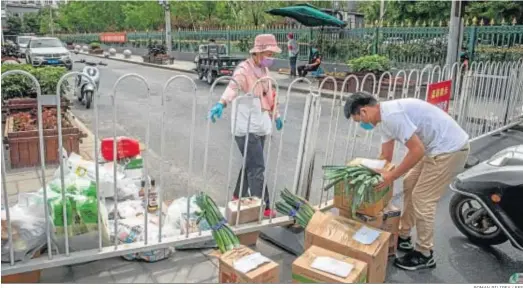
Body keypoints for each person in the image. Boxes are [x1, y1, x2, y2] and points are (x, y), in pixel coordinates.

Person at [344, 91, 470, 271]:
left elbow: (416, 151)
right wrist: (370, 171)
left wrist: (392, 176)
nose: (362, 125)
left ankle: (424, 254)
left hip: (450, 150)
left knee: (422, 198)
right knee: (409, 182)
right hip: (434, 149)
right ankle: (403, 236)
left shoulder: (393, 116)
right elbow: (385, 156)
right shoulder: (383, 119)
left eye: (359, 121)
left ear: (363, 111)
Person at [208, 34, 283, 218]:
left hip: (261, 124)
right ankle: (261, 207)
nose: (271, 57)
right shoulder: (244, 69)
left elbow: (270, 94)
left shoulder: (264, 71)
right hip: (245, 126)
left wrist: (277, 114)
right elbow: (233, 87)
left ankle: (237, 196)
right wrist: (222, 103)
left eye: (273, 53)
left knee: (251, 163)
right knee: (257, 166)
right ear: (258, 52)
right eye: (269, 53)